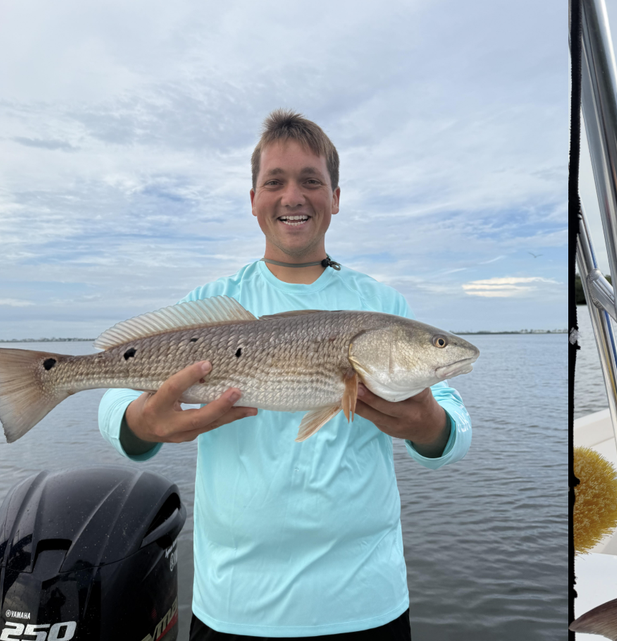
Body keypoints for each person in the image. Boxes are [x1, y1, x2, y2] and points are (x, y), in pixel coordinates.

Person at [97, 109, 472, 640]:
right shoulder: (211, 303)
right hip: (233, 604)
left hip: (367, 601)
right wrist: (144, 423)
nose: (293, 196)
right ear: (253, 200)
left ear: (336, 198)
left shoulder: (382, 304)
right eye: (274, 182)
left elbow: (454, 428)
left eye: (311, 181)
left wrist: (428, 424)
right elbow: (115, 399)